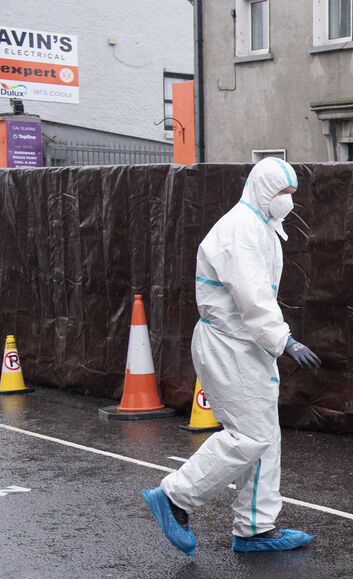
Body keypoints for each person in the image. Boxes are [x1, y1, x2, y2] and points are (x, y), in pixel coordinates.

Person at [142, 157, 322, 556]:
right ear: (262, 190)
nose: (287, 201)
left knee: (264, 437)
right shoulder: (240, 230)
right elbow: (252, 295)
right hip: (229, 344)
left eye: (291, 194)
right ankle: (175, 496)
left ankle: (255, 526)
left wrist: (274, 341)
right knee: (251, 435)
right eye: (281, 193)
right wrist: (285, 341)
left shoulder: (261, 227)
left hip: (245, 344)